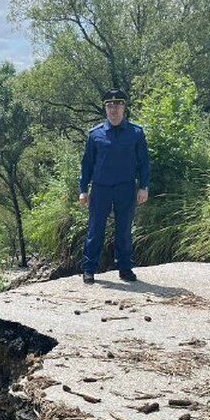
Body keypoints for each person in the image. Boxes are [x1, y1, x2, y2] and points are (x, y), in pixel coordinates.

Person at [78, 88, 150, 284]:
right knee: (95, 229)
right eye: (109, 106)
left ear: (124, 107)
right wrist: (83, 189)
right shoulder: (95, 134)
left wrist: (144, 186)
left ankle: (125, 268)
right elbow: (87, 164)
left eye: (117, 105)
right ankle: (89, 269)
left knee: (124, 230)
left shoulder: (136, 133)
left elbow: (144, 162)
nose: (113, 109)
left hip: (126, 188)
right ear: (105, 109)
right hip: (101, 188)